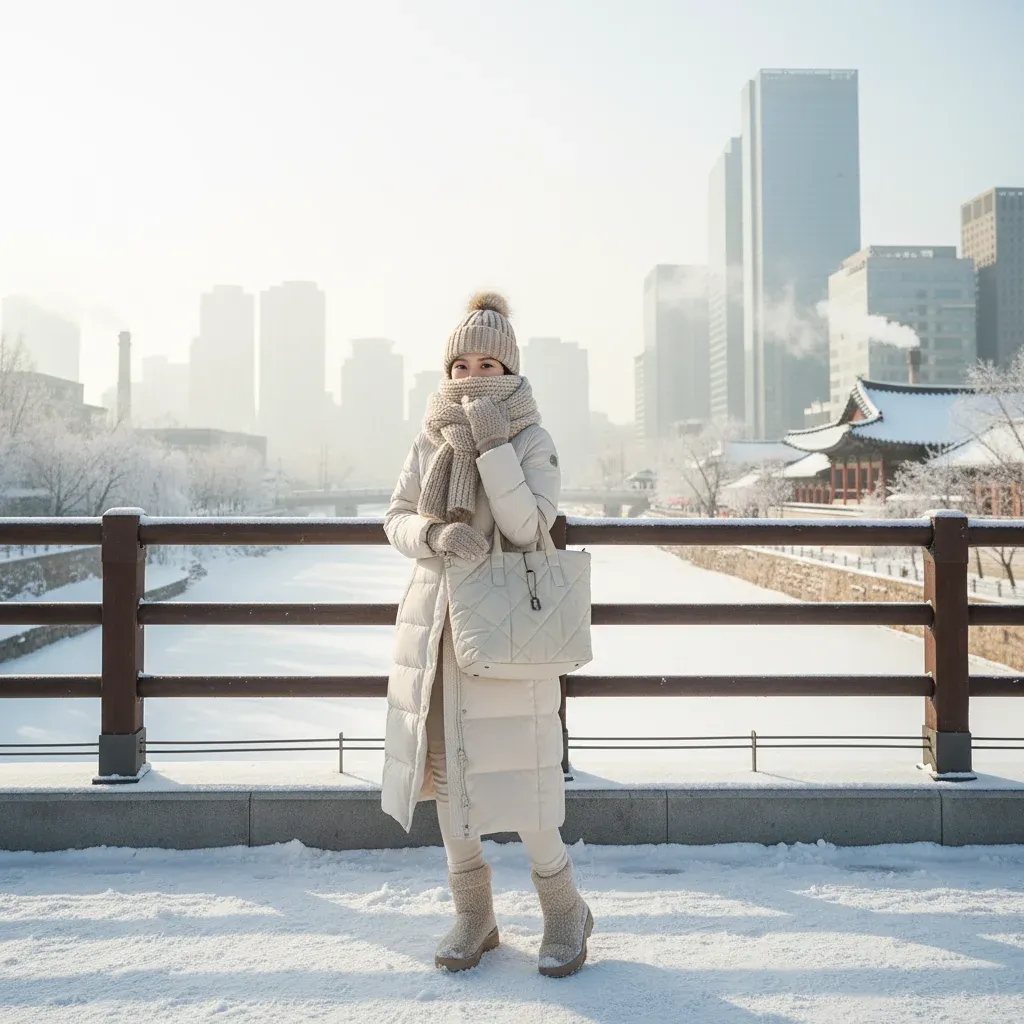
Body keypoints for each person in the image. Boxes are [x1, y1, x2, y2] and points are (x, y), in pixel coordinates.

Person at [381, 292, 593, 978]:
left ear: (510, 366)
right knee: (446, 782)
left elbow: (531, 529)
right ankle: (475, 914)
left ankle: (565, 911)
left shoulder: (532, 440)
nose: (472, 374)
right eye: (461, 362)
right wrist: (432, 532)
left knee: (527, 781)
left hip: (507, 634)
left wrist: (494, 443)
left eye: (488, 361)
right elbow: (394, 518)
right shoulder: (429, 438)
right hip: (438, 630)